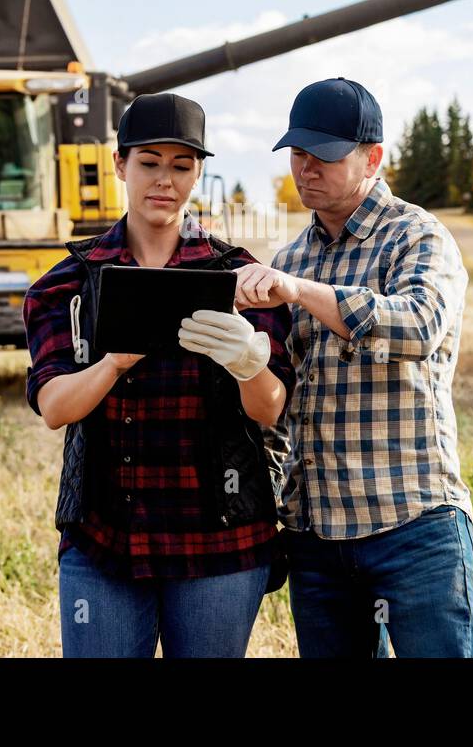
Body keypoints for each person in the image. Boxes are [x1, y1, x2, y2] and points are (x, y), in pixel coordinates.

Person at [22, 92, 295, 658]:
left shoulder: (239, 278)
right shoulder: (67, 284)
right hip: (105, 540)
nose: (164, 180)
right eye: (149, 162)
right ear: (120, 164)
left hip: (218, 540)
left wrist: (250, 362)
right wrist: (114, 361)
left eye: (181, 165)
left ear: (199, 172)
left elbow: (271, 408)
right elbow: (54, 408)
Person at [233, 77, 473, 658]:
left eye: (324, 155)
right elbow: (278, 404)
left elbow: (418, 325)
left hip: (413, 524)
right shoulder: (292, 257)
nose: (306, 168)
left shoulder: (418, 237)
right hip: (317, 538)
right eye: (297, 154)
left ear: (373, 157)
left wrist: (301, 291)